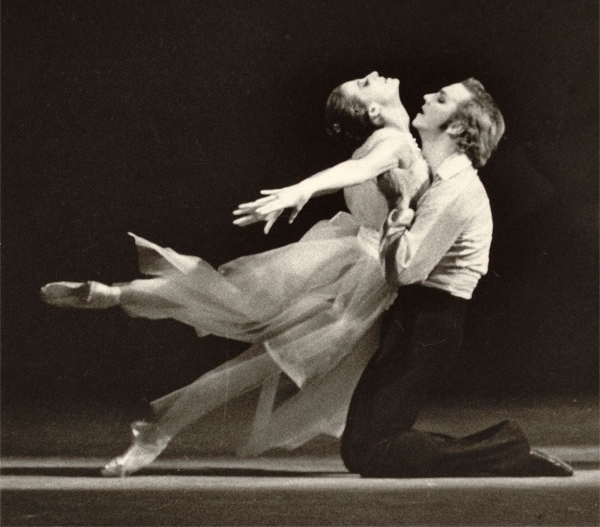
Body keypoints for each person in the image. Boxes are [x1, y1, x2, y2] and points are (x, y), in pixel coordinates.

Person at [40, 72, 430, 476]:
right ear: (373, 110)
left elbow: (353, 173)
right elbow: (357, 171)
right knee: (255, 363)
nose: (371, 76)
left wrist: (307, 191)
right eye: (365, 84)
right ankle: (156, 434)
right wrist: (301, 190)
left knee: (230, 298)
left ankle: (117, 294)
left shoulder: (378, 144)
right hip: (361, 277)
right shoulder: (393, 144)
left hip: (344, 258)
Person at [334, 78, 574, 477]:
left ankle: (507, 446)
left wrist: (398, 205)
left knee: (373, 449)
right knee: (359, 451)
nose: (426, 96)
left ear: (460, 128)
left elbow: (405, 271)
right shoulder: (438, 178)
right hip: (415, 319)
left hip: (430, 324)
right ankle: (499, 449)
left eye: (441, 98)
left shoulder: (456, 191)